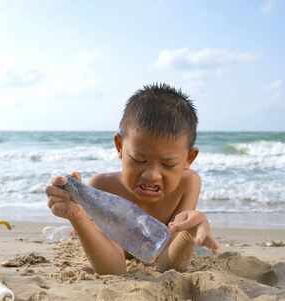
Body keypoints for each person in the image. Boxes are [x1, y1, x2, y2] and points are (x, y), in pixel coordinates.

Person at [45, 83, 219, 274]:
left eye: (168, 164)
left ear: (189, 159)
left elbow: (169, 264)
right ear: (120, 146)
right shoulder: (102, 187)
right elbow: (114, 270)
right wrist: (77, 217)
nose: (152, 174)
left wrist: (188, 231)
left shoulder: (188, 183)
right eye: (139, 159)